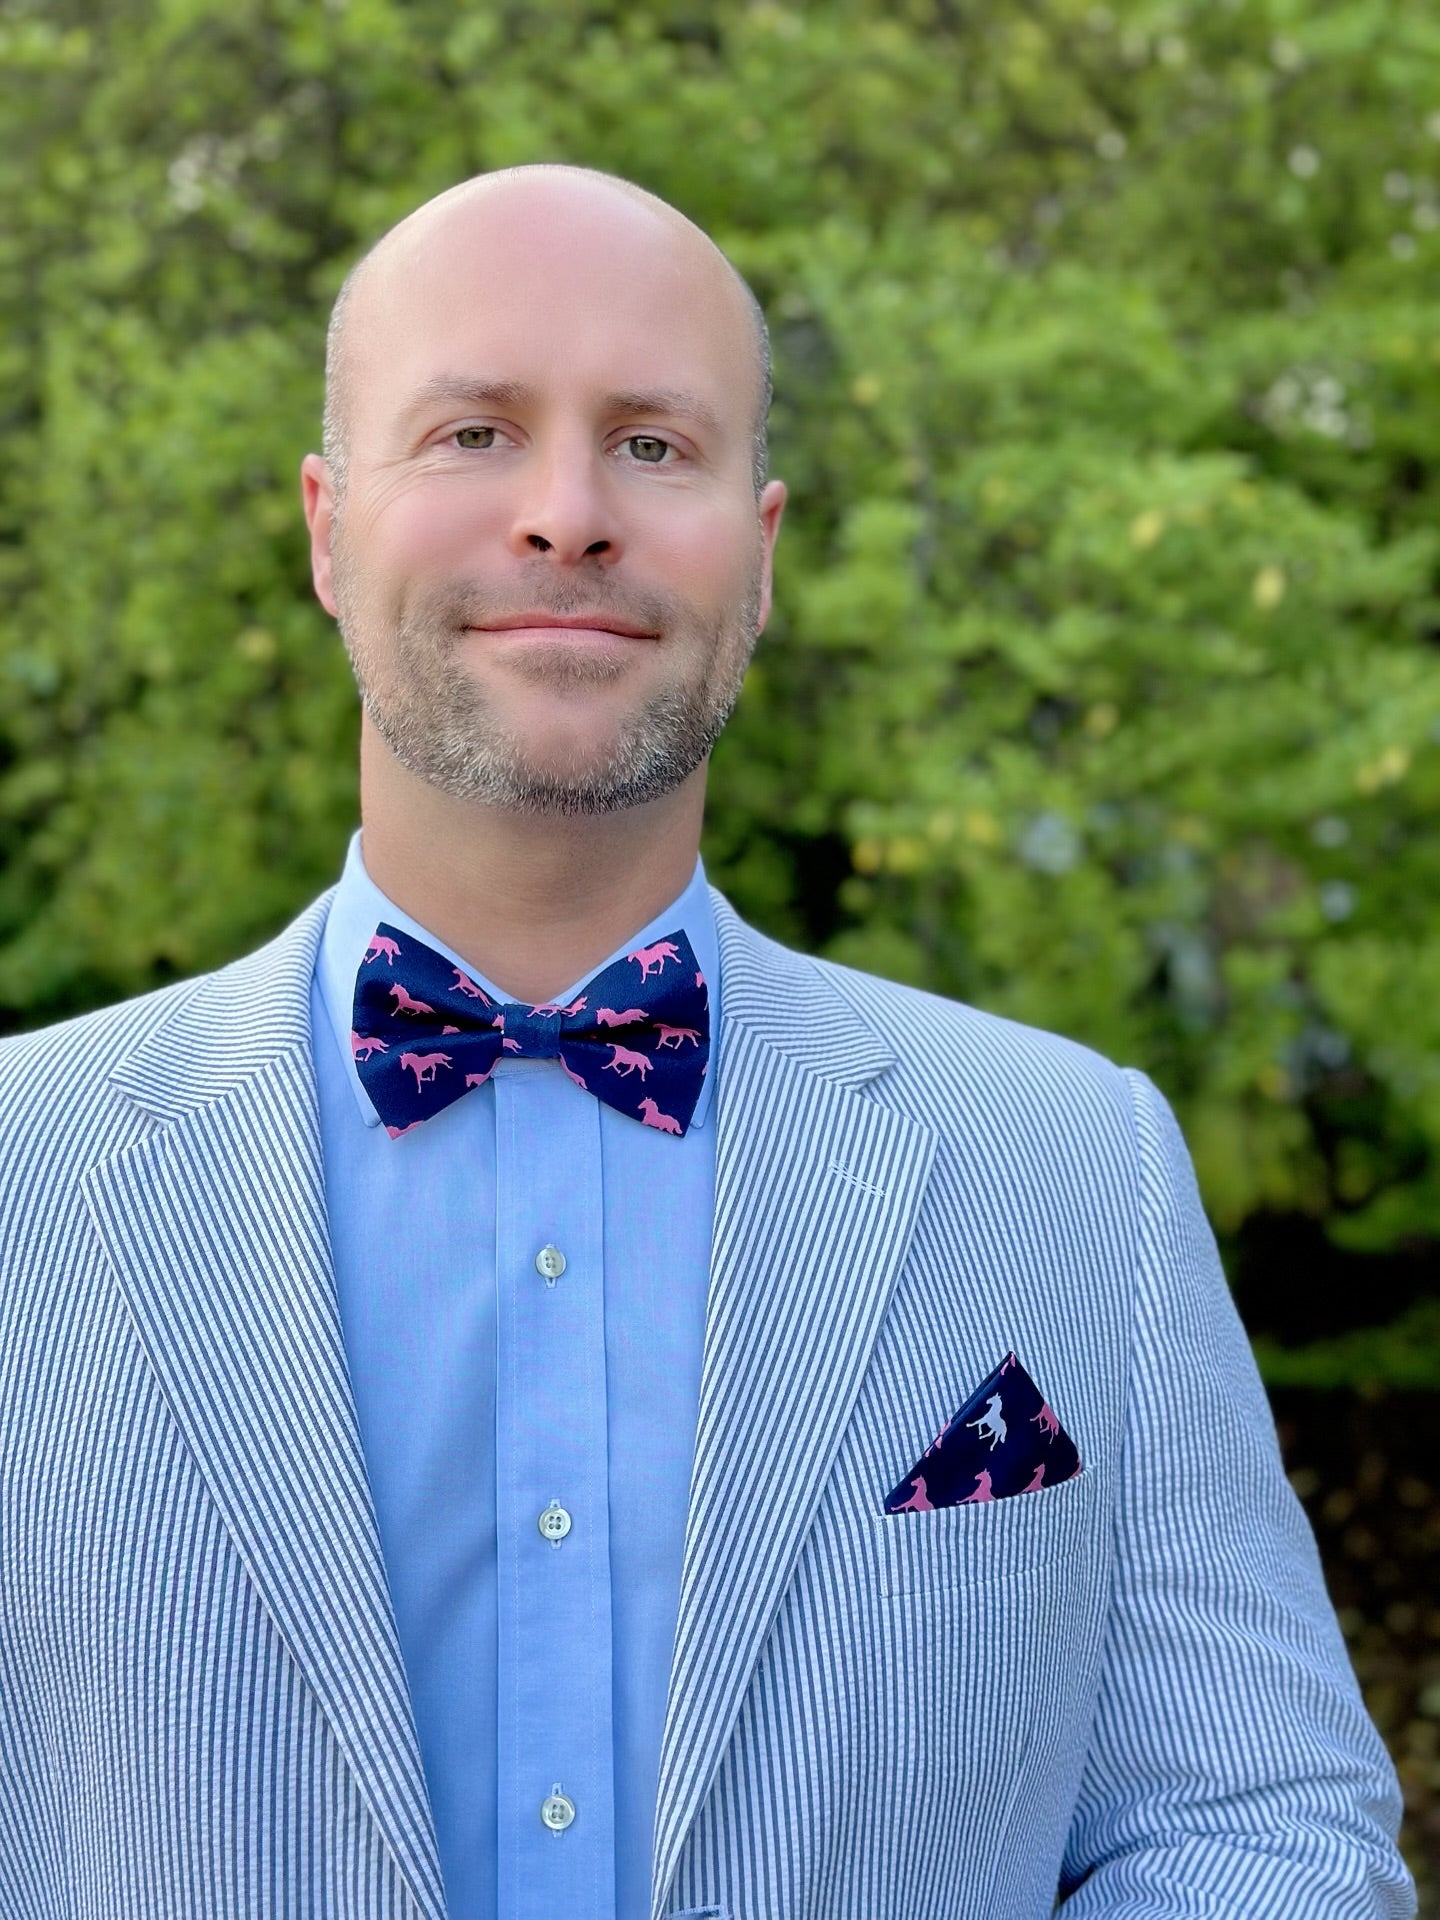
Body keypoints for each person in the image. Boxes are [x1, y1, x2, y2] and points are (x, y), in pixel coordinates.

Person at [0, 166, 1413, 1920]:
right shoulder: (19, 1185)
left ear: (764, 546)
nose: (567, 515)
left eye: (654, 445)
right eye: (471, 434)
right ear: (322, 526)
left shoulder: (1079, 1168)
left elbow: (1262, 1825)